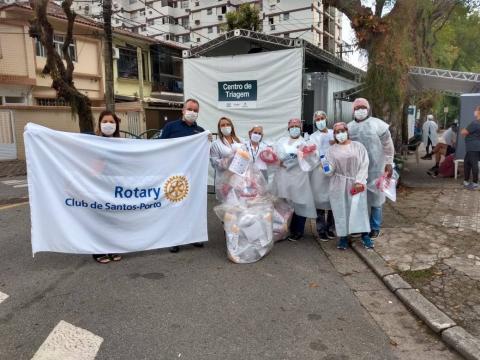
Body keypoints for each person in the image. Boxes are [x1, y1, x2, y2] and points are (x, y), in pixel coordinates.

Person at [160, 98, 209, 253]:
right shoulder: (170, 127)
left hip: (194, 175)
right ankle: (174, 239)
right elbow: (160, 147)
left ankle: (193, 236)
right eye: (190, 109)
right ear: (183, 110)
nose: (192, 112)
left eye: (195, 110)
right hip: (174, 174)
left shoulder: (200, 131)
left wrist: (207, 141)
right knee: (175, 206)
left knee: (194, 206)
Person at [347, 98, 395, 239]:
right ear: (353, 111)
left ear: (368, 109)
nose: (360, 110)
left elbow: (388, 144)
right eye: (357, 108)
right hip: (356, 169)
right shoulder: (349, 127)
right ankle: (359, 226)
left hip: (376, 167)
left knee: (376, 199)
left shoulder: (377, 124)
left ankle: (375, 227)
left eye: (363, 107)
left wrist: (389, 162)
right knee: (357, 197)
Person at [325, 122, 372, 250]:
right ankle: (343, 237)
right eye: (337, 132)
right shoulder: (331, 150)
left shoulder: (358, 146)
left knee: (359, 210)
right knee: (341, 210)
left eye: (342, 130)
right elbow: (329, 172)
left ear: (347, 131)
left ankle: (365, 235)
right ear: (334, 135)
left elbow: (364, 164)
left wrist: (359, 181)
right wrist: (324, 164)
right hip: (338, 185)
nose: (340, 134)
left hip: (356, 182)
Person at [271, 118, 316, 241]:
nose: (294, 128)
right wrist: (276, 161)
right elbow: (273, 155)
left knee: (299, 204)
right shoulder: (281, 141)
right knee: (282, 204)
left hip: (299, 178)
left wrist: (308, 154)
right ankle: (282, 229)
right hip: (283, 178)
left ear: (300, 128)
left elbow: (312, 161)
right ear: (288, 128)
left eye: (297, 126)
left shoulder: (305, 143)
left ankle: (298, 231)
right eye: (292, 126)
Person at [92, 110, 123, 264]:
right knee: (99, 220)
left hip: (115, 187)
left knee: (113, 220)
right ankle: (98, 251)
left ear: (116, 125)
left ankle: (112, 247)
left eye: (112, 122)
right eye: (105, 121)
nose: (108, 124)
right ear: (99, 123)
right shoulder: (92, 142)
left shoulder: (121, 144)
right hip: (98, 186)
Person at [308, 110, 335, 241]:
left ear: (326, 119)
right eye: (317, 119)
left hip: (333, 171)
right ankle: (321, 229)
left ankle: (331, 228)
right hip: (318, 172)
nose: (319, 121)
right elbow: (311, 155)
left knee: (332, 200)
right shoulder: (312, 137)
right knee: (319, 201)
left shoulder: (333, 133)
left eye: (321, 118)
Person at [210, 116, 244, 199]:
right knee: (226, 208)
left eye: (228, 124)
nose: (226, 127)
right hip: (224, 180)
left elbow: (245, 158)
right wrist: (228, 161)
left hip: (239, 180)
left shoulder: (240, 141)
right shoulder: (216, 144)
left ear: (232, 126)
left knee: (240, 207)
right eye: (223, 125)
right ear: (219, 128)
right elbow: (214, 164)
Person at [461, 105, 480, 190]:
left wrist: (463, 130)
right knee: (467, 163)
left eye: (476, 110)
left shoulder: (475, 123)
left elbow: (464, 132)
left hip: (473, 147)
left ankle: (475, 183)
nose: (474, 111)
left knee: (473, 164)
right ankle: (466, 181)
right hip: (473, 147)